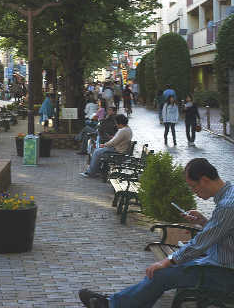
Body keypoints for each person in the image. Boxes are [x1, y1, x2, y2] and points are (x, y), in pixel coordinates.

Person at [79, 158, 234, 308]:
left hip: (225, 272)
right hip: (218, 263)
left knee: (160, 273)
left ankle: (111, 304)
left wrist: (167, 261)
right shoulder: (229, 195)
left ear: (205, 180)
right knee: (161, 274)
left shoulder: (227, 206)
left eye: (193, 187)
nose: (194, 192)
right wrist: (203, 222)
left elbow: (201, 243)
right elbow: (223, 233)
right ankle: (114, 303)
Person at [80, 114, 131, 178]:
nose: (116, 125)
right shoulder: (128, 129)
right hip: (120, 149)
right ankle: (95, 170)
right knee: (98, 151)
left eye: (116, 123)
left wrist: (104, 145)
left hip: (117, 151)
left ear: (119, 123)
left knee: (96, 152)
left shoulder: (122, 131)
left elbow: (113, 142)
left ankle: (91, 173)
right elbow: (117, 140)